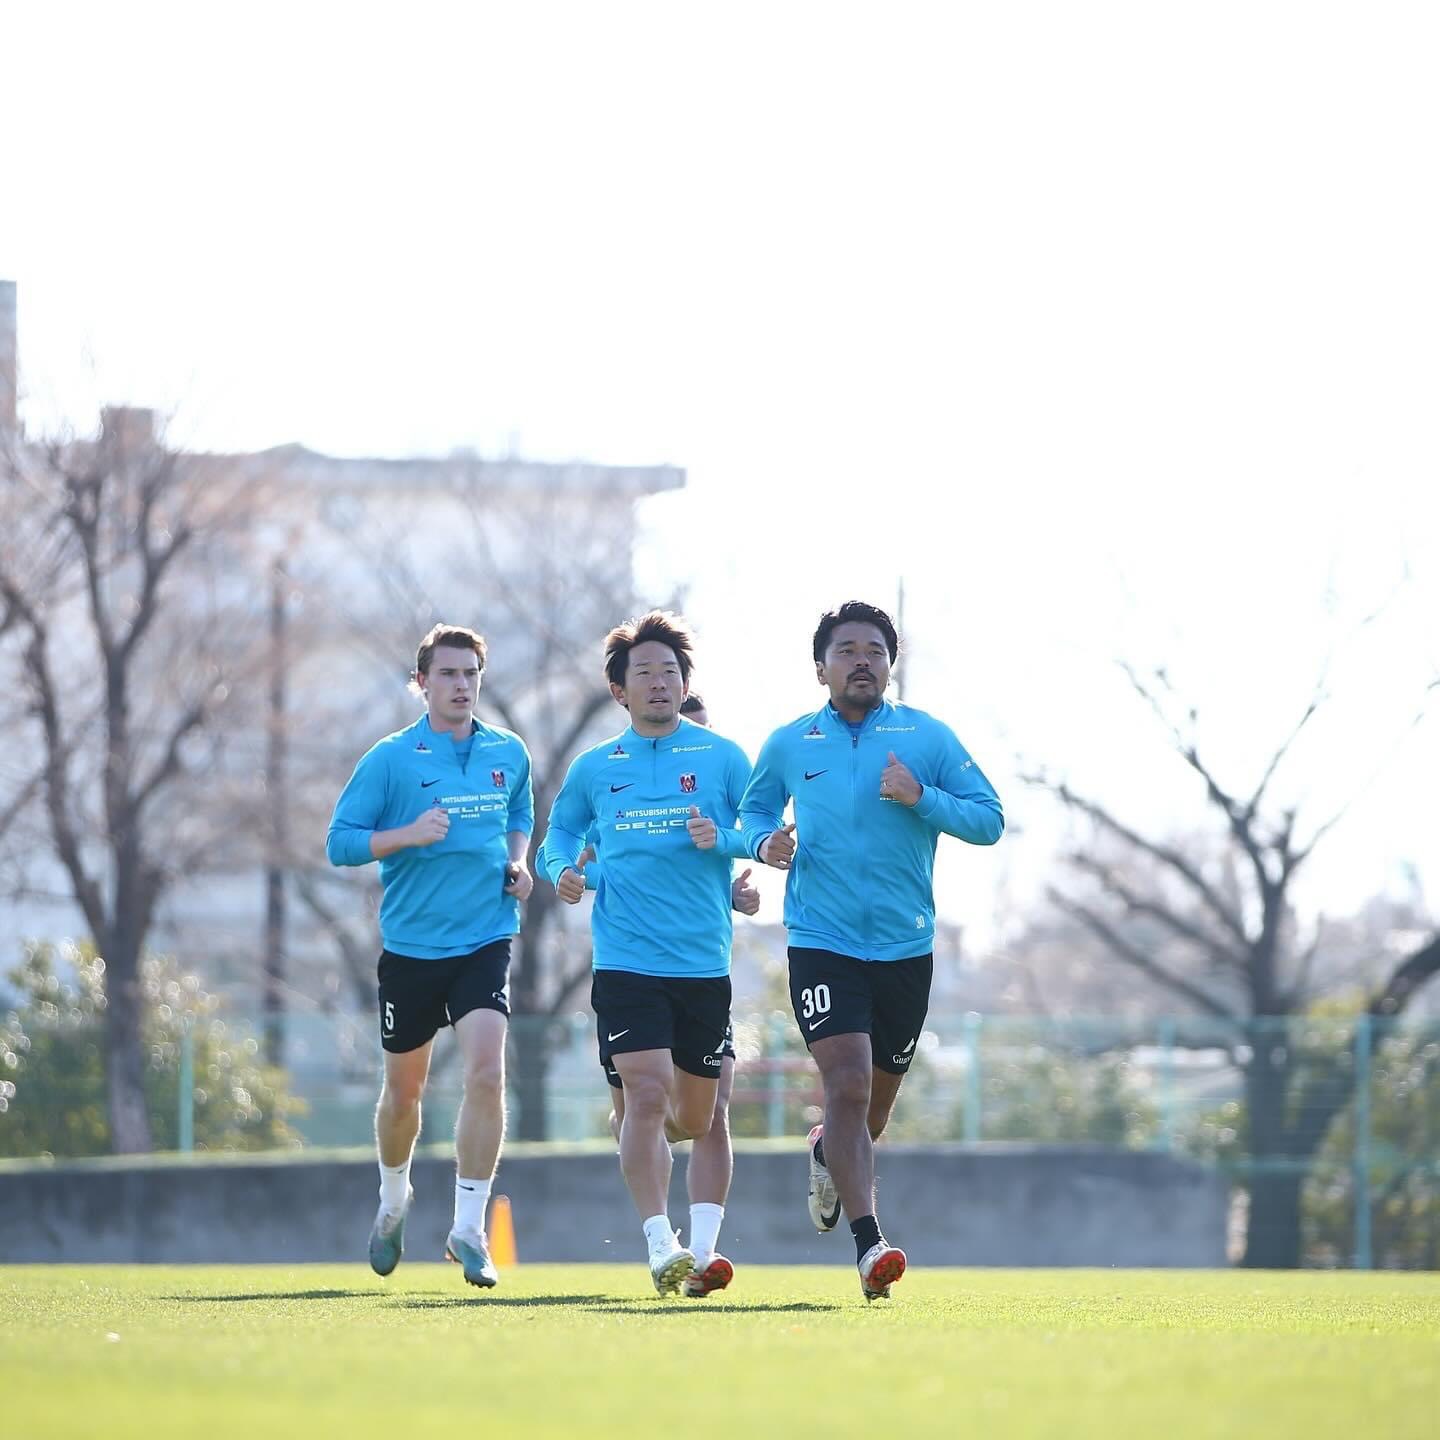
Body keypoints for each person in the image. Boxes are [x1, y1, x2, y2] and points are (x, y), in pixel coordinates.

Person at [740, 600, 1003, 1300]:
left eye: (875, 652)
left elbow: (989, 820)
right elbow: (754, 811)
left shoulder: (927, 737)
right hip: (821, 941)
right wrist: (764, 843)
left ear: (891, 664)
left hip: (904, 947)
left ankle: (827, 1151)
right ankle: (869, 1246)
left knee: (871, 1112)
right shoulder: (791, 743)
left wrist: (921, 798)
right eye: (847, 651)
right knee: (848, 1084)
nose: (862, 662)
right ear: (820, 667)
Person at [540, 612, 753, 1295]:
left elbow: (760, 829)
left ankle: (703, 1248)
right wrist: (561, 871)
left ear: (685, 682)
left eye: (670, 671)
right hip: (626, 961)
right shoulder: (595, 768)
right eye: (644, 673)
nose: (659, 682)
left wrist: (726, 842)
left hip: (702, 963)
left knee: (699, 1117)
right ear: (619, 690)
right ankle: (663, 1244)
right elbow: (558, 836)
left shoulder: (723, 758)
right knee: (646, 1092)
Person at [326, 623, 534, 1289]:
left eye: (471, 673)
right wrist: (407, 834)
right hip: (412, 949)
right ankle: (393, 1200)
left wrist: (520, 864)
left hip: (485, 937)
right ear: (422, 683)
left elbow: (520, 814)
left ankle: (468, 1228)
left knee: (487, 1074)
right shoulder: (391, 759)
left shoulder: (507, 750)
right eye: (447, 674)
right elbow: (340, 842)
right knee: (404, 1094)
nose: (461, 685)